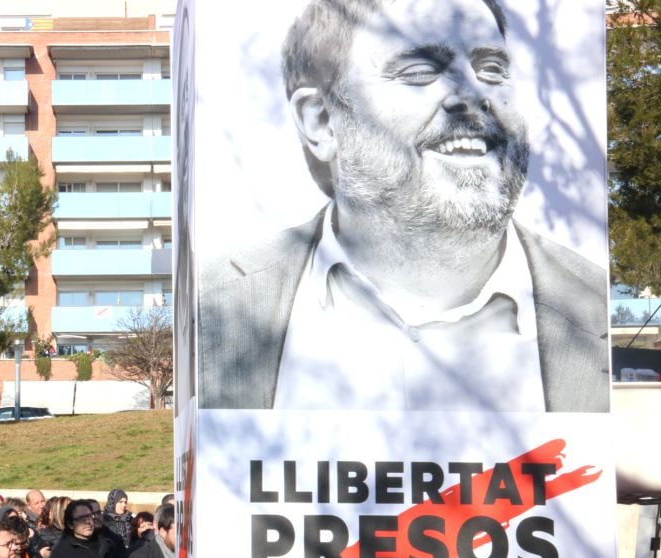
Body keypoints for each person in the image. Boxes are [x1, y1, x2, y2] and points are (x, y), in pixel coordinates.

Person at [198, 0, 610, 413]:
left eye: (492, 71)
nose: (476, 94)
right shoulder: (219, 302)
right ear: (321, 121)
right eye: (419, 72)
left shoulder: (592, 305)